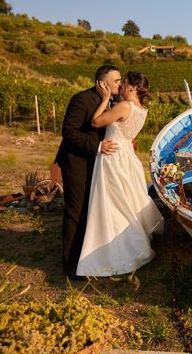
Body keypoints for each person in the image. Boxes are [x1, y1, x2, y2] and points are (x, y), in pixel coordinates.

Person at [76, 71, 164, 277]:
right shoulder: (142, 110)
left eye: (123, 84)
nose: (120, 87)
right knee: (126, 199)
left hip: (112, 156)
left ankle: (122, 250)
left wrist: (105, 98)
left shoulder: (124, 106)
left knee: (112, 202)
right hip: (127, 156)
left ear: (133, 87)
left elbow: (96, 122)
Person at [55, 65, 121, 280]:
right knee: (76, 211)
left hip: (97, 164)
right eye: (116, 80)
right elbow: (68, 132)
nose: (120, 84)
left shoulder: (113, 102)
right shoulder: (81, 99)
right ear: (102, 83)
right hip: (77, 161)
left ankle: (87, 258)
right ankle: (71, 266)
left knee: (91, 209)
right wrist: (98, 146)